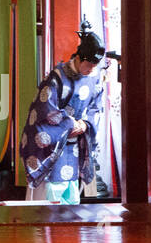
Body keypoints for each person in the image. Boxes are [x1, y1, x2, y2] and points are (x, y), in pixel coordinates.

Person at [19, 27, 107, 204]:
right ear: (79, 58)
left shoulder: (94, 79)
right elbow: (45, 108)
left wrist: (85, 124)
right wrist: (69, 124)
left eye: (94, 66)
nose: (91, 69)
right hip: (53, 145)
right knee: (50, 193)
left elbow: (96, 107)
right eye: (89, 65)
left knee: (71, 189)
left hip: (74, 144)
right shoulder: (56, 78)